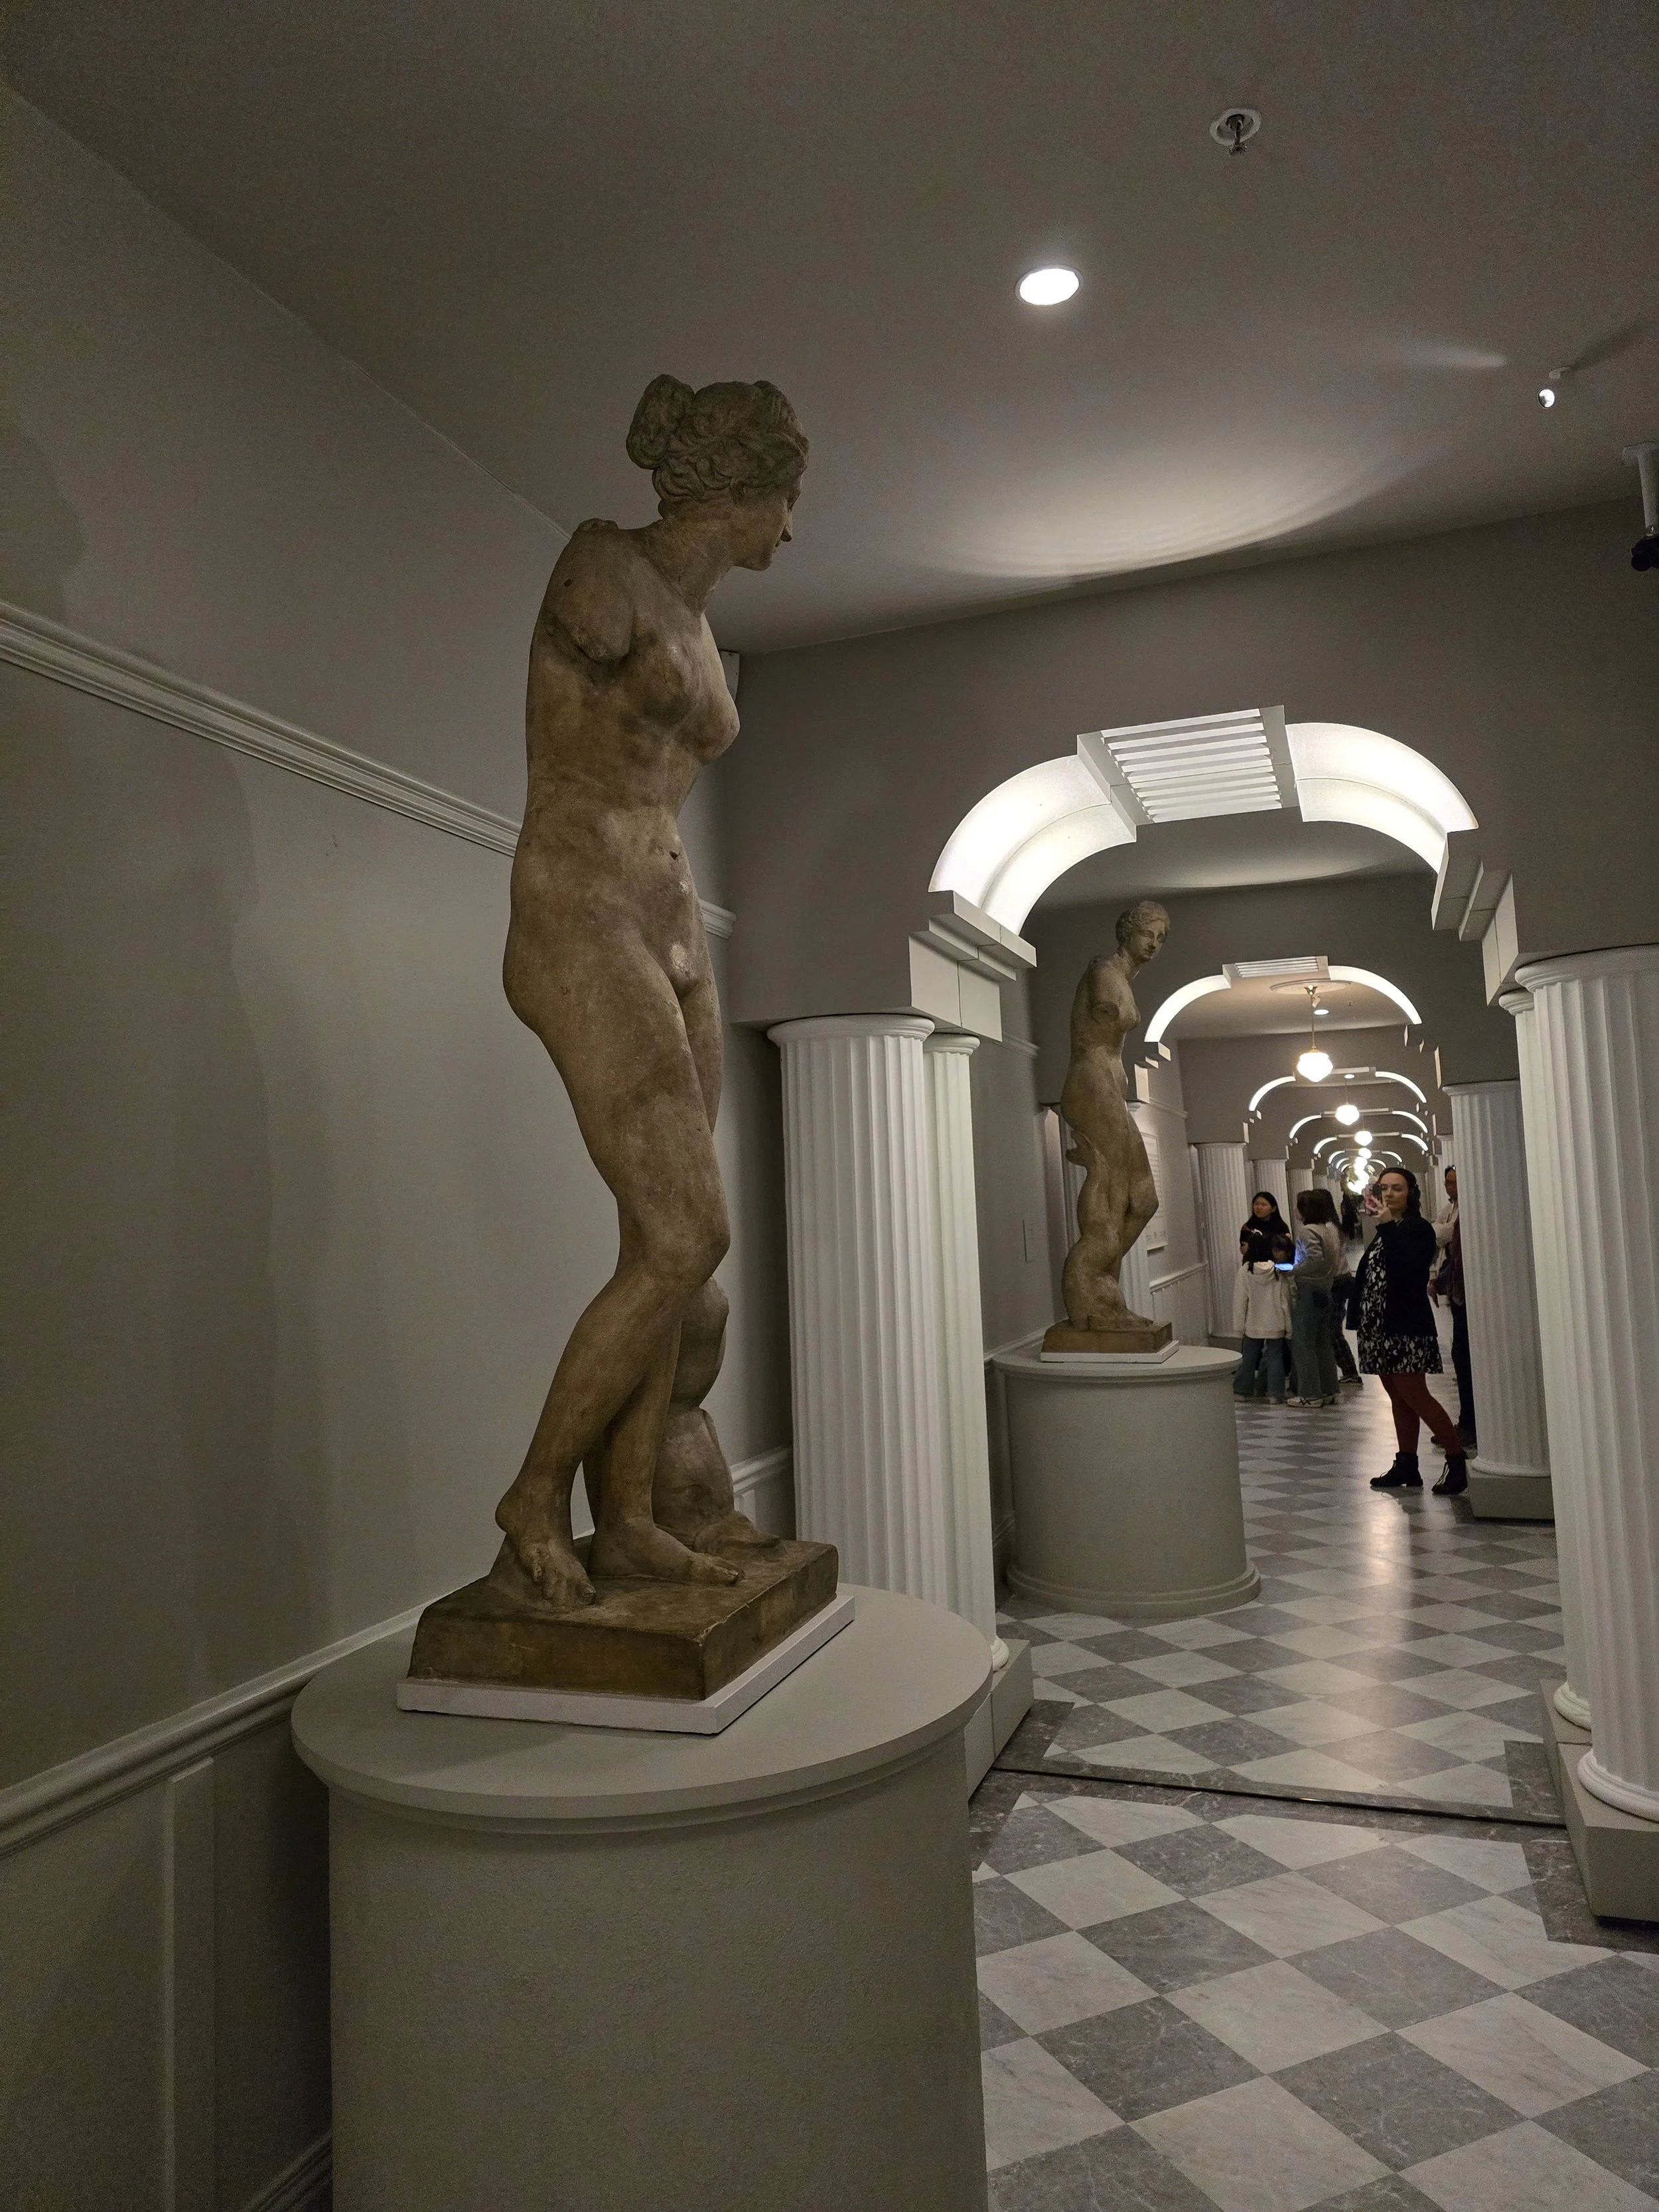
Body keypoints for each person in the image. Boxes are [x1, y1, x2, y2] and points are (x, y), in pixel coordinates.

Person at [494, 373, 809, 1609]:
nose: (792, 526)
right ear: (733, 489)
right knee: (691, 1233)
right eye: (786, 497)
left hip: (674, 925)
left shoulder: (697, 623)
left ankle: (623, 1517)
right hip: (580, 910)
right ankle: (535, 1490)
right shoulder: (600, 568)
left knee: (660, 1246)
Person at [1356, 1167, 1469, 1495]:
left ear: (1411, 1193)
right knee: (1398, 1397)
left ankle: (1456, 1458)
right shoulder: (1387, 1228)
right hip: (1379, 1327)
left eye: (1397, 1188)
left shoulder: (1416, 1228)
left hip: (1405, 1327)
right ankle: (1407, 1463)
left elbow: (1408, 1267)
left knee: (1416, 1394)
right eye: (1384, 1188)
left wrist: (1388, 1227)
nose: (1390, 1194)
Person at [1432, 1165, 1477, 1447]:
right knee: (1461, 1357)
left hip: (1470, 1294)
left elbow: (1443, 1236)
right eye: (1448, 1183)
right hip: (1457, 1291)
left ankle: (1471, 1427)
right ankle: (1466, 1423)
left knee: (1467, 1358)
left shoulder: (1468, 1212)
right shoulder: (1451, 1209)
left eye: (1455, 1182)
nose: (1451, 1188)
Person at [1287, 1188, 1343, 1404]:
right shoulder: (1328, 1229)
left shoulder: (1307, 1231)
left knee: (1303, 1343)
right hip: (1325, 1288)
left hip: (1310, 1289)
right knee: (1322, 1342)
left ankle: (1310, 1394)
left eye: (1298, 1205)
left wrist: (1292, 1270)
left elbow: (1314, 1259)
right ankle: (1329, 1389)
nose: (1295, 1209)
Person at [1233, 1238, 1293, 1403]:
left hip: (1253, 1322)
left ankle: (1242, 1391)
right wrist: (1289, 1327)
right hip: (1276, 1322)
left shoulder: (1246, 1271)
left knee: (1248, 1358)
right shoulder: (1277, 1272)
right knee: (1275, 1358)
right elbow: (1285, 1301)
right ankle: (1275, 1394)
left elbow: (1240, 1301)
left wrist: (1239, 1326)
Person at [1239, 1191, 1290, 1266]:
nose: (1259, 1207)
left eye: (1263, 1205)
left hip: (1276, 1267)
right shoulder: (1248, 1227)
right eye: (1256, 1204)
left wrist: (1255, 1247)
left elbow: (1283, 1250)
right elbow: (1244, 1250)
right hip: (1254, 1268)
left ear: (1273, 1208)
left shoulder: (1281, 1226)